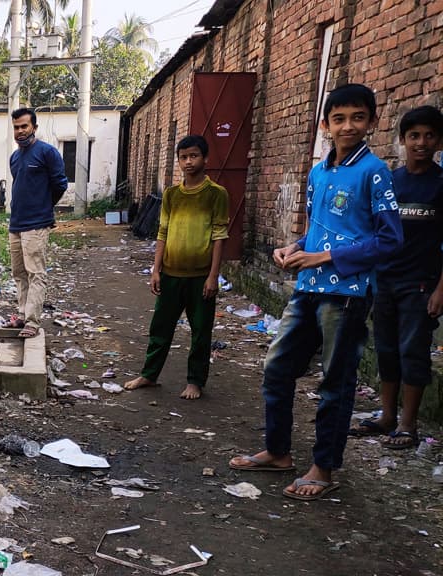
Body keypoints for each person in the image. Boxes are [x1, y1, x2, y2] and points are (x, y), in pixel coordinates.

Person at [228, 84, 403, 501]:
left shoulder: (374, 171)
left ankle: (323, 467)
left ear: (372, 122)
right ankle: (277, 451)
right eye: (339, 119)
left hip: (347, 293)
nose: (348, 126)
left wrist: (324, 257)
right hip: (307, 288)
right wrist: (294, 248)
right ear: (325, 125)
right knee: (277, 368)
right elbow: (318, 230)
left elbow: (390, 240)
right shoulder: (319, 172)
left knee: (334, 382)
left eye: (357, 118)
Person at [349, 105, 443, 448]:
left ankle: (408, 424)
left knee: (413, 352)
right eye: (414, 135)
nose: (421, 142)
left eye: (429, 135)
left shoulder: (439, 185)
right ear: (402, 139)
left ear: (439, 140)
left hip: (420, 285)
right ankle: (387, 417)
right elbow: (370, 230)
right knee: (386, 349)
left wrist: (440, 290)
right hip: (384, 280)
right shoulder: (390, 181)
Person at [124, 135, 229, 400]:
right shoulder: (171, 195)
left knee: (201, 331)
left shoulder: (216, 194)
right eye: (183, 157)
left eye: (194, 156)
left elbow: (219, 236)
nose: (189, 161)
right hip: (171, 273)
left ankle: (195, 381)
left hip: (200, 277)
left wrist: (213, 276)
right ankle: (149, 374)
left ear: (205, 158)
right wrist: (156, 269)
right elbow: (163, 232)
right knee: (160, 327)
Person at [6, 107, 68, 338]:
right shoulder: (15, 156)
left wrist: (44, 208)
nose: (20, 131)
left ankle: (32, 322)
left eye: (24, 126)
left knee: (36, 273)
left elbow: (60, 184)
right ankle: (22, 315)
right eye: (16, 127)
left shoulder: (47, 152)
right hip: (16, 224)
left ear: (34, 127)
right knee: (19, 273)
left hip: (36, 224)